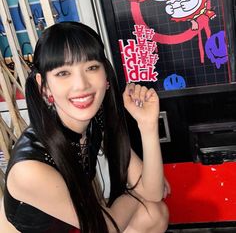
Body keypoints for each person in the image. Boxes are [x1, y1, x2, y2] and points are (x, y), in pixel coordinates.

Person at [0, 21, 170, 233]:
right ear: (44, 87)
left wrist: (148, 125)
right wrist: (136, 193)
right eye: (63, 73)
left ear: (106, 76)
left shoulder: (93, 124)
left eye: (91, 67)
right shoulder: (30, 169)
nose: (81, 84)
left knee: (154, 213)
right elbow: (103, 228)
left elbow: (153, 194)